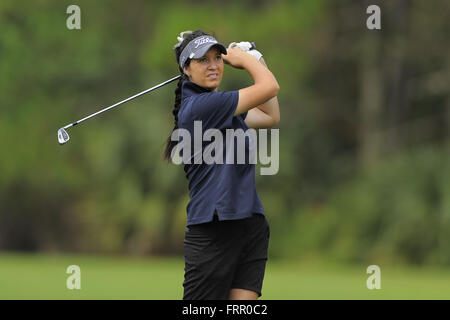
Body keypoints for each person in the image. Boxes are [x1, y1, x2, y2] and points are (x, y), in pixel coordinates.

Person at [163, 30, 280, 300]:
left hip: (249, 223)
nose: (214, 65)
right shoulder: (199, 107)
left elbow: (269, 114)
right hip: (214, 228)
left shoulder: (223, 107)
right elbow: (269, 87)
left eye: (218, 57)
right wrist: (244, 59)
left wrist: (257, 59)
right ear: (187, 70)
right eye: (203, 60)